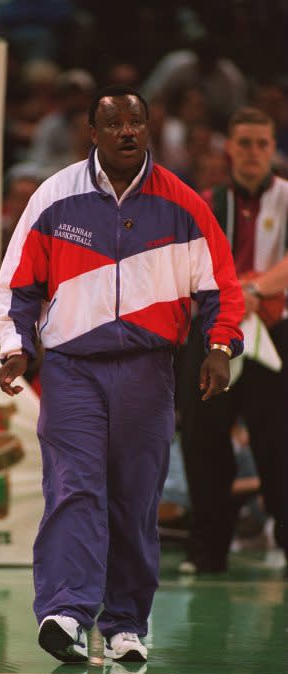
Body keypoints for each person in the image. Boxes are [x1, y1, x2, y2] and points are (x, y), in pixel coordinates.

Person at [0, 84, 244, 664]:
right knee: (74, 487)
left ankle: (127, 621)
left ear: (149, 129)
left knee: (135, 499)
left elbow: (221, 289)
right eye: (114, 124)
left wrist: (221, 348)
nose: (128, 132)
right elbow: (16, 284)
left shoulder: (184, 205)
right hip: (72, 371)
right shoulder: (54, 198)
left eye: (137, 122)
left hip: (148, 370)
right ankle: (66, 612)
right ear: (93, 133)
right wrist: (14, 346)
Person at [178, 106, 288, 574]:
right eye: (244, 143)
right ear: (228, 147)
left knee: (279, 444)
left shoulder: (286, 198)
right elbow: (188, 266)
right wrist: (234, 294)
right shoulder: (205, 202)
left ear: (272, 148)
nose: (253, 153)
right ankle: (208, 551)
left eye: (262, 143)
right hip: (213, 333)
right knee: (204, 444)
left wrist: (254, 288)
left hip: (277, 334)